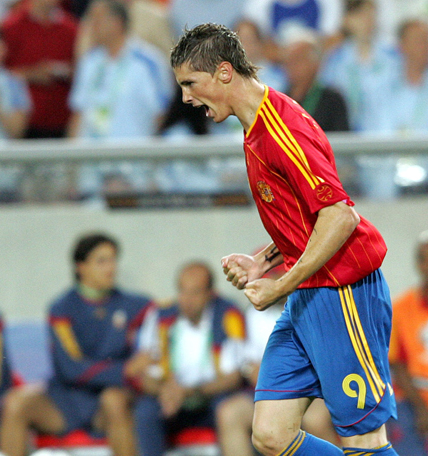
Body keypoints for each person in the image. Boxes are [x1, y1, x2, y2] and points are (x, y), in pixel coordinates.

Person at [170, 23, 398, 455]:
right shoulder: (255, 125)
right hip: (308, 296)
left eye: (190, 83)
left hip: (343, 294)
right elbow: (306, 220)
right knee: (271, 435)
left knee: (364, 438)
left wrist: (280, 285)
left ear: (223, 73)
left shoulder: (281, 129)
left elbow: (339, 216)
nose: (185, 97)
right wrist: (263, 262)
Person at [0, 232, 154, 456]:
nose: (110, 268)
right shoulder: (62, 309)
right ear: (80, 267)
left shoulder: (136, 305)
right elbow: (71, 368)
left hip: (109, 400)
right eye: (101, 261)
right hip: (66, 401)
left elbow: (163, 328)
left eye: (113, 260)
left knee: (114, 400)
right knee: (16, 403)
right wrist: (125, 370)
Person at [133, 261, 247, 456]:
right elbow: (144, 374)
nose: (187, 300)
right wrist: (165, 391)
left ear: (211, 293)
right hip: (171, 398)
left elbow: (233, 378)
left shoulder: (228, 316)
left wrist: (189, 392)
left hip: (210, 397)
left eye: (195, 292)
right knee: (145, 411)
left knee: (226, 408)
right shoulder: (160, 316)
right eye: (182, 291)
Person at [2, 0, 77, 138]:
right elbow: (4, 74)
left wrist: (66, 72)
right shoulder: (11, 27)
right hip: (24, 125)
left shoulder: (71, 28)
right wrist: (31, 74)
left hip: (61, 122)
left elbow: (82, 72)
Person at [388, 230, 428, 454]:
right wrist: (421, 409)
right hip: (410, 397)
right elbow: (397, 365)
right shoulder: (401, 308)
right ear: (419, 264)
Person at [278, 26, 350, 132]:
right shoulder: (280, 101)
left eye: (298, 59)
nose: (290, 65)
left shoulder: (332, 100)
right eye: (287, 60)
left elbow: (342, 139)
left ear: (315, 64)